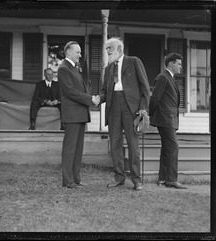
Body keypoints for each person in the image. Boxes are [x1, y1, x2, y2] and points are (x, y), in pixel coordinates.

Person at [98, 37, 150, 191]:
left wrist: (143, 108)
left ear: (119, 50)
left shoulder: (133, 61)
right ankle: (119, 178)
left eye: (110, 50)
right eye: (107, 50)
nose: (108, 53)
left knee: (133, 144)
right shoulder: (108, 69)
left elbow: (145, 88)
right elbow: (104, 92)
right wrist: (97, 99)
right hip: (113, 106)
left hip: (131, 108)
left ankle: (136, 180)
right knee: (115, 144)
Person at [58, 41, 98, 188]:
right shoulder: (63, 68)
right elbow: (70, 92)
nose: (80, 55)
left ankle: (76, 178)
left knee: (78, 149)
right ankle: (67, 180)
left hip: (80, 113)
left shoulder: (74, 68)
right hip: (72, 114)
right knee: (70, 148)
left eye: (80, 52)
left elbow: (80, 89)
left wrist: (90, 99)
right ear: (68, 52)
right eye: (77, 52)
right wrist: (90, 99)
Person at [149, 53, 187, 189]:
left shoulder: (170, 78)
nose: (181, 66)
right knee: (173, 147)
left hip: (170, 119)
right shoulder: (162, 77)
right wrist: (150, 115)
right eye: (179, 63)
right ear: (171, 63)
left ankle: (162, 178)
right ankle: (171, 179)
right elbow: (155, 99)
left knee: (167, 148)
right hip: (165, 119)